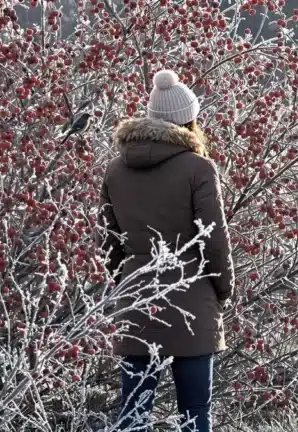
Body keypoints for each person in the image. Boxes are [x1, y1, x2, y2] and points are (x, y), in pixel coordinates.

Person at [96, 69, 234, 432]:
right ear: (189, 120)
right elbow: (212, 239)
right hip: (191, 300)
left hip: (137, 301)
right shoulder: (199, 168)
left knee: (133, 414)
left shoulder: (115, 170)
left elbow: (108, 243)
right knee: (194, 415)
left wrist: (123, 287)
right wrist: (222, 290)